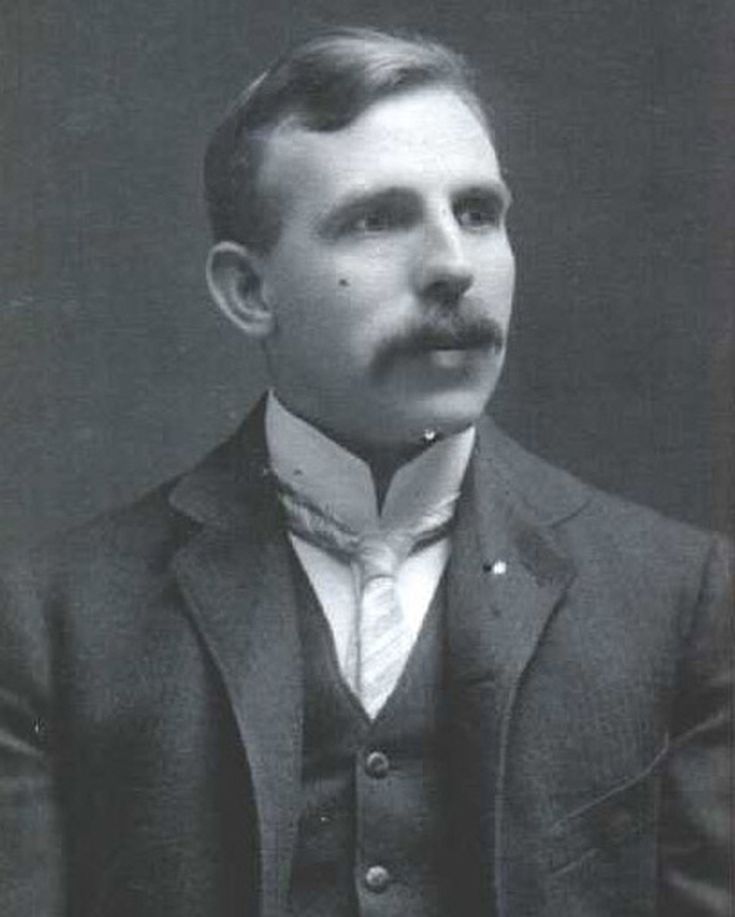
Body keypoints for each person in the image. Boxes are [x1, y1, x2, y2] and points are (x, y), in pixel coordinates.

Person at [0, 27, 731, 917]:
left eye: (477, 212)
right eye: (376, 219)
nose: (453, 267)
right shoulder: (52, 621)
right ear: (248, 291)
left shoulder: (681, 599)